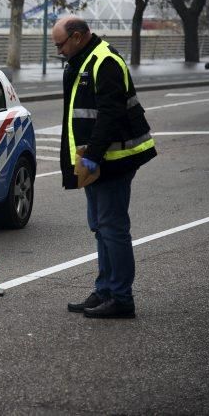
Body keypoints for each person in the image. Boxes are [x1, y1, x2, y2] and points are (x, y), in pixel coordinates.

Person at [53, 16, 157, 319]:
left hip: (113, 159)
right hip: (98, 159)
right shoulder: (83, 60)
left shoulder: (105, 61)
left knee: (112, 228)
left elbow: (109, 116)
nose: (58, 50)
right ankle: (105, 290)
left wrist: (92, 157)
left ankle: (121, 298)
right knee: (100, 227)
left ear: (77, 36)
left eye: (60, 44)